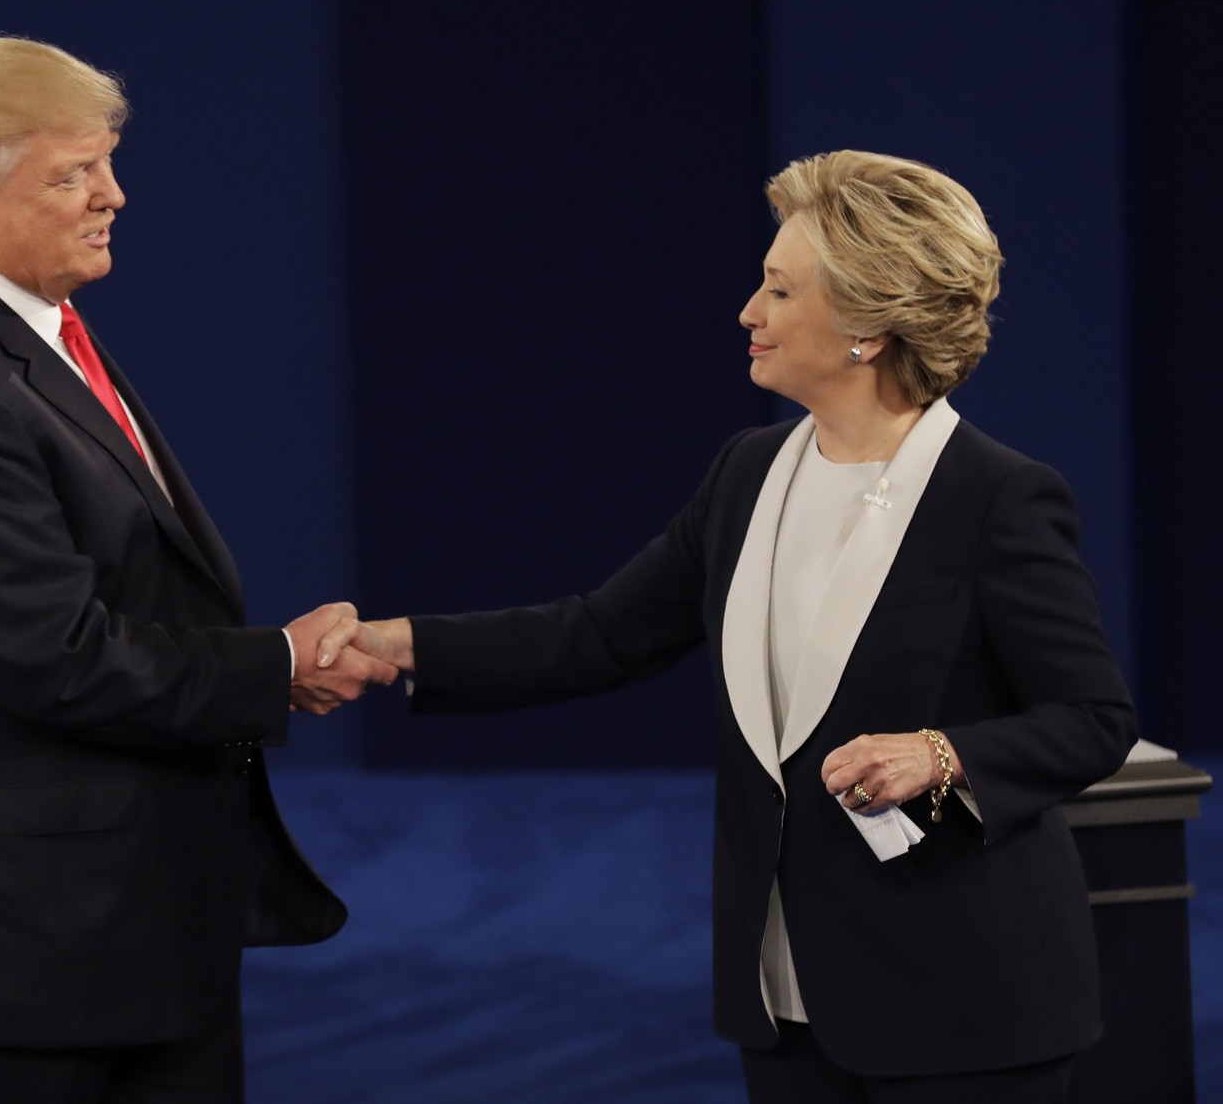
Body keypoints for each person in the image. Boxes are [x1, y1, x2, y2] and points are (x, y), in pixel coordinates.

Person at [323, 150, 1137, 1102]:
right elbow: (599, 633)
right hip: (786, 995)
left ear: (867, 325)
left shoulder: (997, 496)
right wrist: (399, 644)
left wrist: (939, 753)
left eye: (779, 289)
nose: (749, 312)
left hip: (966, 1000)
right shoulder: (749, 472)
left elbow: (1093, 716)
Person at [0, 36, 396, 1103]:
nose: (114, 195)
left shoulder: (23, 333)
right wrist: (273, 665)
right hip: (22, 941)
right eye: (74, 174)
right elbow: (58, 658)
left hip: (115, 921)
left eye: (108, 163)